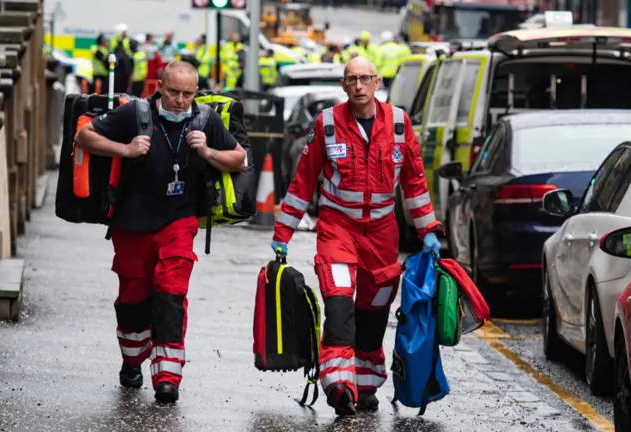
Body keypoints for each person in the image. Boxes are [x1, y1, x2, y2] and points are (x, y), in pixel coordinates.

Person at [271, 57, 442, 416]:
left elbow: (414, 181)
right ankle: (338, 384)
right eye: (352, 80)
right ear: (344, 85)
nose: (359, 86)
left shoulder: (398, 123)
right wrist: (283, 232)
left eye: (365, 78)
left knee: (374, 312)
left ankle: (365, 386)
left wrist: (427, 230)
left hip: (382, 235)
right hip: (338, 229)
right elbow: (303, 181)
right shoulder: (327, 125)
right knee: (338, 303)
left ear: (377, 82)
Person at [75, 61, 246, 403]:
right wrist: (126, 149)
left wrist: (208, 151)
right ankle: (132, 358)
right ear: (159, 86)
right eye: (173, 92)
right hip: (132, 223)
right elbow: (84, 136)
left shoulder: (204, 119)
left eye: (188, 93)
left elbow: (239, 158)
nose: (181, 101)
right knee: (133, 298)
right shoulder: (135, 114)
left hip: (179, 221)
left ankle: (168, 376)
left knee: (171, 292)